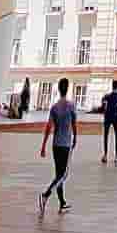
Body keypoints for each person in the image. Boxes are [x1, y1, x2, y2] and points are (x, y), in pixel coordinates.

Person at [39, 77, 77, 217]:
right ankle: (46, 194)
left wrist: (43, 145)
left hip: (55, 144)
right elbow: (74, 124)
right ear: (67, 89)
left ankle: (62, 203)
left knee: (58, 174)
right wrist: (76, 138)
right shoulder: (71, 105)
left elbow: (49, 127)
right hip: (65, 144)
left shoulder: (54, 107)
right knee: (63, 174)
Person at [101, 79, 117, 163]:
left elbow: (103, 102)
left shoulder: (108, 95)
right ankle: (116, 157)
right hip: (115, 116)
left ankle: (105, 155)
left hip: (107, 116)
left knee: (106, 135)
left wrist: (104, 110)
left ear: (112, 86)